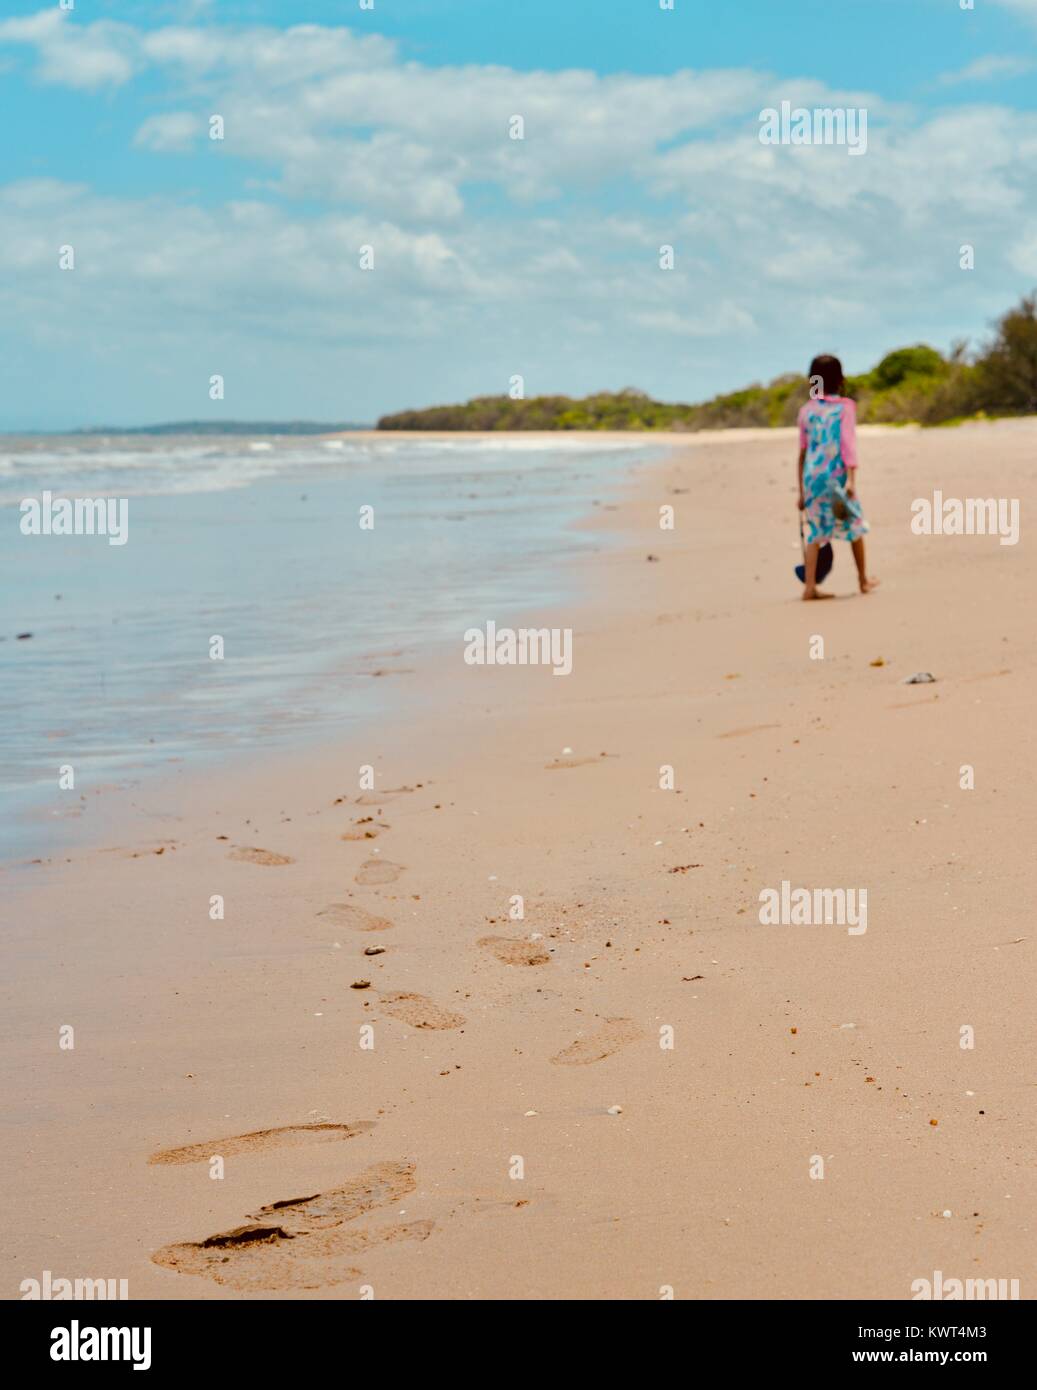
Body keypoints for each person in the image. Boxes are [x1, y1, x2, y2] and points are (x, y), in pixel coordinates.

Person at [797, 355, 879, 599]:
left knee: (815, 532)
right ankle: (863, 581)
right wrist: (852, 481)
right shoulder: (845, 408)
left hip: (812, 478)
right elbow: (847, 446)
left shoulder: (806, 411)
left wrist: (801, 491)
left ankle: (810, 587)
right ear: (840, 379)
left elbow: (802, 453)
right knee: (854, 526)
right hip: (836, 478)